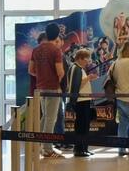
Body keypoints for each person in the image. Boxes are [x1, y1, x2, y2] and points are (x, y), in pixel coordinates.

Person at [29, 23, 65, 158]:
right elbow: (60, 72)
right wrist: (58, 80)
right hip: (52, 88)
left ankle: (37, 144)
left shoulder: (36, 50)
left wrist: (41, 76)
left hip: (40, 88)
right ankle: (48, 149)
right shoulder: (56, 50)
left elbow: (30, 70)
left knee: (45, 117)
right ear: (56, 35)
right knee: (51, 118)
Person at [66, 48, 94, 157]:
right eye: (87, 58)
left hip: (84, 100)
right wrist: (88, 78)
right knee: (81, 125)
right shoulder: (75, 68)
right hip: (81, 100)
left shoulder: (78, 68)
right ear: (81, 58)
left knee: (84, 124)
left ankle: (83, 148)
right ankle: (79, 149)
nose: (88, 61)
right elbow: (76, 85)